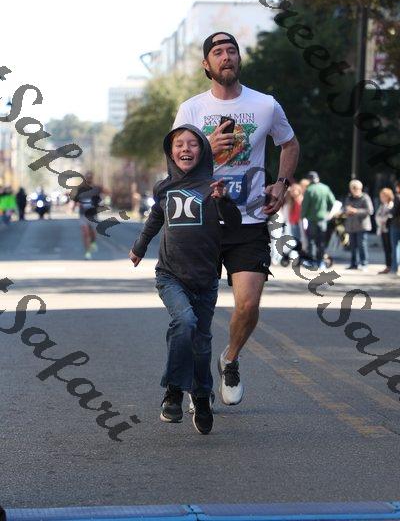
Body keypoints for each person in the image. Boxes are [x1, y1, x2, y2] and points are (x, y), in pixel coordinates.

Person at [172, 31, 299, 406]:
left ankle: (229, 359)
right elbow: (176, 165)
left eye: (231, 51)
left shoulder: (265, 105)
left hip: (249, 219)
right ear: (206, 64)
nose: (226, 56)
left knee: (248, 304)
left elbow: (289, 144)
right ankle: (199, 381)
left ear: (239, 59)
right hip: (202, 222)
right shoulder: (191, 110)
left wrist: (281, 184)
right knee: (198, 313)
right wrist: (206, 148)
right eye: (218, 52)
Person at [129, 125, 241, 434]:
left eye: (193, 143)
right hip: (171, 275)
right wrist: (139, 247)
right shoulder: (164, 188)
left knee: (201, 345)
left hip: (205, 279)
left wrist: (224, 201)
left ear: (203, 150)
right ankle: (174, 390)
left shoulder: (213, 186)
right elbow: (155, 217)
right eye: (179, 144)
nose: (185, 149)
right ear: (171, 152)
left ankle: (202, 397)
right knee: (185, 322)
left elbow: (233, 224)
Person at [301, 171, 335, 270]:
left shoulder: (309, 190)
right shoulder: (325, 188)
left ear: (309, 179)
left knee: (311, 241)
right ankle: (321, 262)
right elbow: (332, 202)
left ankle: (312, 262)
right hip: (323, 219)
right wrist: (327, 212)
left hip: (311, 219)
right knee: (321, 241)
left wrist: (302, 216)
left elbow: (305, 206)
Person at [71, 171, 105, 259]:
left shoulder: (96, 188)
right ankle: (87, 251)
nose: (89, 179)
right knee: (85, 233)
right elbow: (76, 200)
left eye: (90, 177)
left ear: (92, 178)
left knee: (93, 233)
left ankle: (93, 243)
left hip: (93, 214)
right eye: (87, 177)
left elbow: (105, 194)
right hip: (83, 214)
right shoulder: (80, 189)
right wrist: (74, 207)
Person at [343, 179, 374, 271]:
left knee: (362, 245)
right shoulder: (349, 198)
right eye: (353, 188)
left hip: (362, 226)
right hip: (351, 226)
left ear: (360, 188)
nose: (355, 190)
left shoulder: (365, 197)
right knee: (352, 246)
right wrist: (347, 211)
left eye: (356, 188)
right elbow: (345, 209)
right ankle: (353, 263)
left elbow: (370, 211)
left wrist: (356, 211)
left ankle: (364, 263)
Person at [375, 187, 394, 274]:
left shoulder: (391, 205)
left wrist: (383, 219)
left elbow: (389, 217)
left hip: (389, 229)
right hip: (382, 229)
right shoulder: (382, 205)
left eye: (383, 196)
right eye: (381, 196)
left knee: (390, 248)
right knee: (386, 249)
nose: (381, 198)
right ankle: (388, 266)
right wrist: (381, 220)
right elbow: (377, 216)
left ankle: (391, 266)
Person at [389, 180, 400, 276]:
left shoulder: (397, 197)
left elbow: (393, 212)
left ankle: (394, 268)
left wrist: (390, 209)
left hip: (396, 225)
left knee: (395, 247)